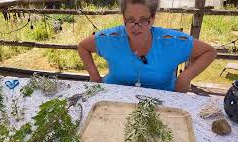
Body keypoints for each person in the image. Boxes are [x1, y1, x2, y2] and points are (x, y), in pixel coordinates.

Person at [78, 0, 217, 93]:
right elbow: (83, 47)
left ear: (153, 18)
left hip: (160, 104)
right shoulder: (111, 38)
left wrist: (184, 78)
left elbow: (209, 52)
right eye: (130, 20)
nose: (135, 27)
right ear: (123, 18)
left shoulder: (171, 42)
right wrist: (95, 79)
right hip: (114, 99)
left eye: (143, 20)